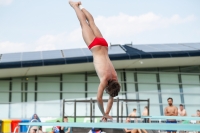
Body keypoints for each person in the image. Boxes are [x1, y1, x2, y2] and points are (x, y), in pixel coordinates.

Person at [69, 0, 121, 121]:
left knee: (91, 22)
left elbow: (112, 96)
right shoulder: (104, 80)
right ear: (107, 88)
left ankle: (80, 5)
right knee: (83, 23)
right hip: (95, 46)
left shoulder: (115, 77)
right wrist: (104, 113)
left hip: (104, 45)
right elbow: (99, 98)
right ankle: (74, 5)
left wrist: (107, 113)